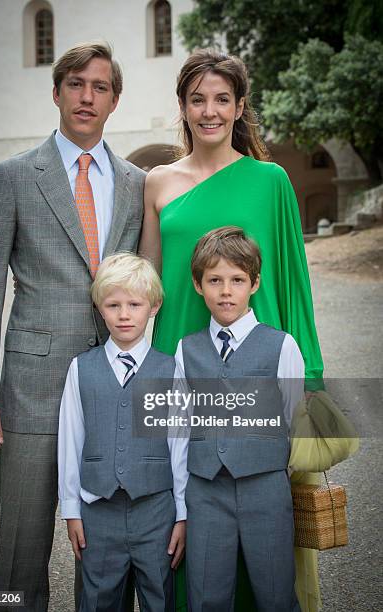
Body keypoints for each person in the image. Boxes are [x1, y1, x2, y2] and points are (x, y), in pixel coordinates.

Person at [0, 42, 145, 611]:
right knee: (21, 544)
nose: (87, 97)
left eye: (101, 87)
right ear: (58, 91)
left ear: (114, 100)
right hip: (32, 388)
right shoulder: (14, 176)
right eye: (76, 85)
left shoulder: (138, 183)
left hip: (115, 388)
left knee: (114, 543)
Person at [139, 48, 324, 611]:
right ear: (183, 107)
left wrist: (309, 379)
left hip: (254, 368)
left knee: (259, 502)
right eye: (198, 99)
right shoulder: (157, 183)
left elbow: (292, 279)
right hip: (178, 363)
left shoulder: (271, 181)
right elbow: (148, 287)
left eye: (223, 99)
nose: (210, 111)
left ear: (241, 106)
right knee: (184, 513)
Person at [174, 226, 303, 611]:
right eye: (214, 280)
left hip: (266, 490)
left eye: (237, 280)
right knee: (205, 595)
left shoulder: (282, 345)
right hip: (205, 491)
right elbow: (180, 429)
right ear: (198, 285)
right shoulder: (186, 349)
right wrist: (182, 503)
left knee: (276, 592)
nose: (225, 291)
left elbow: (292, 419)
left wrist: (270, 470)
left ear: (255, 283)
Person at [58, 252, 187, 611]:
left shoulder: (170, 369)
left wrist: (182, 513)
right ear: (100, 308)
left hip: (156, 513)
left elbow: (180, 444)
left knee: (160, 598)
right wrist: (71, 509)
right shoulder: (81, 368)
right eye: (113, 304)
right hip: (98, 512)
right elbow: (71, 442)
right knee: (97, 599)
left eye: (134, 304)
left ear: (154, 307)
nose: (124, 314)